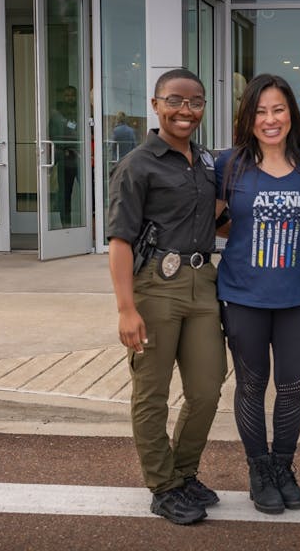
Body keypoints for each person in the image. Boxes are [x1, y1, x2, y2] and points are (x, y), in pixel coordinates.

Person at [106, 68, 226, 526]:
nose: (186, 111)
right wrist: (125, 308)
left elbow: (215, 219)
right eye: (175, 101)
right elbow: (119, 240)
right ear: (155, 105)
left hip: (202, 283)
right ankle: (162, 486)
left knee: (207, 388)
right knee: (152, 392)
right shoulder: (138, 163)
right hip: (156, 285)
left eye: (195, 102)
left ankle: (184, 472)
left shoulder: (207, 161)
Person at [214, 74, 300, 515]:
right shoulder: (228, 165)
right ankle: (258, 469)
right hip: (242, 295)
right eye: (259, 111)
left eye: (277, 109)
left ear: (291, 112)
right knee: (252, 385)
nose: (269, 119)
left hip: (296, 297)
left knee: (293, 387)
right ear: (247, 116)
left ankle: (283, 466)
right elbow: (212, 221)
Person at [49, 84, 79, 226]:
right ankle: (66, 227)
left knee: (90, 193)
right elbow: (51, 135)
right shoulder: (57, 114)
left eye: (72, 95)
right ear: (63, 96)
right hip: (64, 158)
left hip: (81, 157)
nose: (69, 98)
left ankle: (92, 229)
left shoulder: (82, 110)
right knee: (64, 195)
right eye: (67, 95)